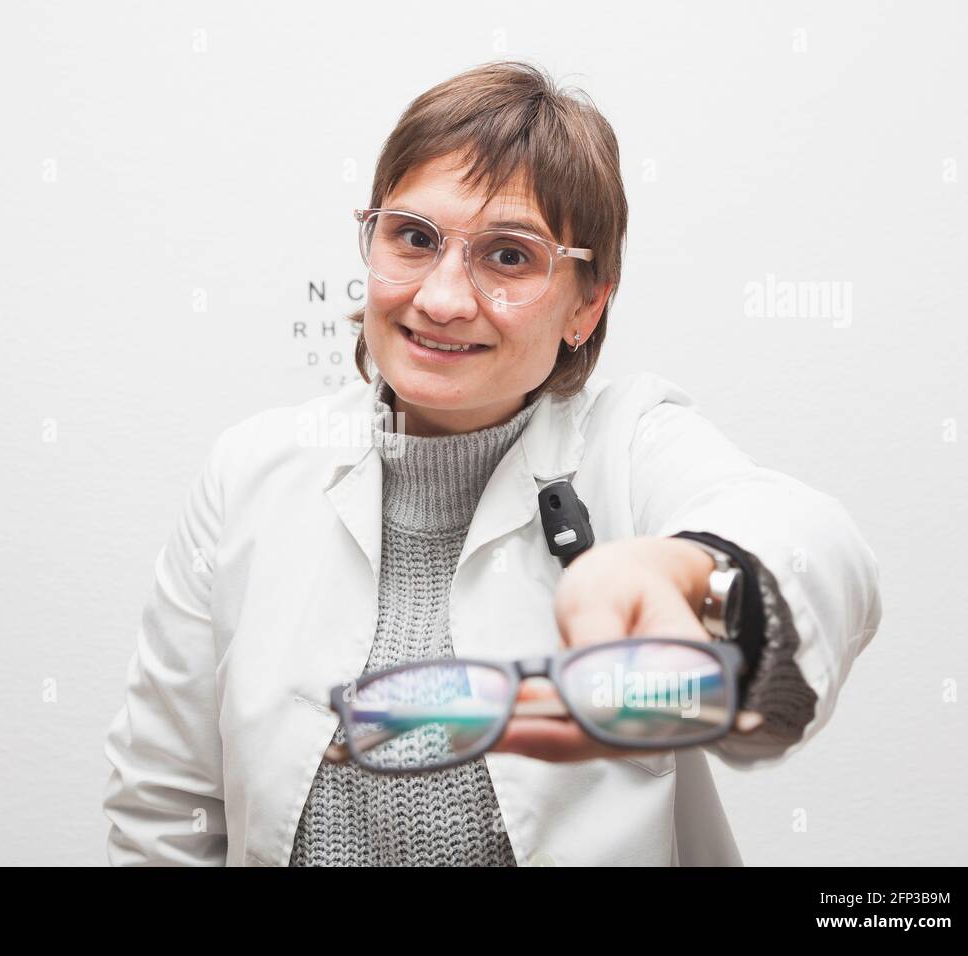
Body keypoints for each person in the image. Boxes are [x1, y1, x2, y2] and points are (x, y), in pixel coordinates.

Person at [102, 59, 883, 866]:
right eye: (414, 238)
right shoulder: (250, 473)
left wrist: (700, 578)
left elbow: (808, 541)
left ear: (587, 303)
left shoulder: (631, 446)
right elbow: (165, 810)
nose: (441, 299)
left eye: (509, 256)